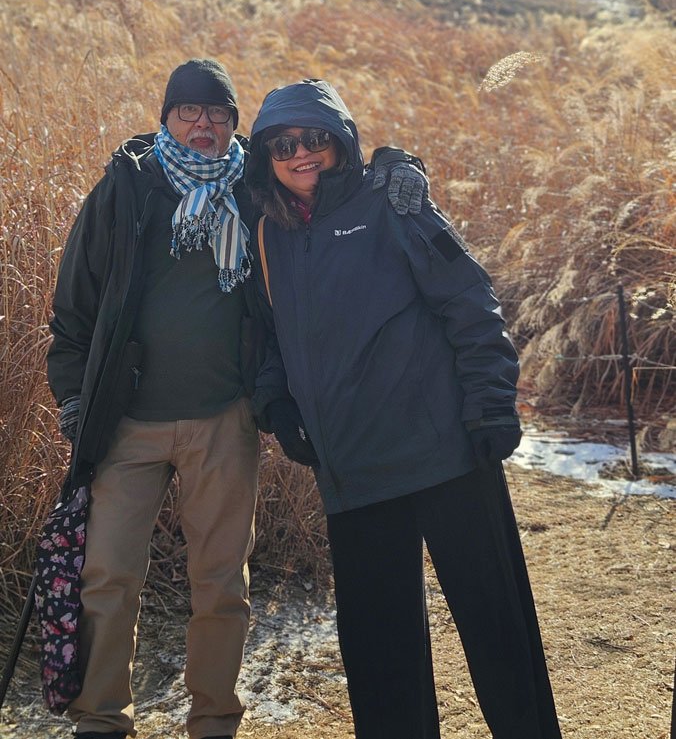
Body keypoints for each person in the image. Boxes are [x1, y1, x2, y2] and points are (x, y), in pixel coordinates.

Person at [46, 58, 425, 739]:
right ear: (166, 117)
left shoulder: (256, 187)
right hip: (126, 423)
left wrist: (401, 165)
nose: (204, 123)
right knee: (107, 577)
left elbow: (335, 182)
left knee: (221, 585)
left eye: (218, 112)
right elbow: (72, 309)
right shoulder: (126, 189)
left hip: (225, 418)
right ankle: (100, 720)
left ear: (232, 123)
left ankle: (214, 721)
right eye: (189, 110)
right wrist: (75, 401)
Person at [246, 78, 562, 739]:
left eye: (314, 138)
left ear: (340, 140)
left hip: (447, 452)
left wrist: (492, 405)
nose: (300, 153)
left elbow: (470, 300)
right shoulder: (269, 234)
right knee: (383, 669)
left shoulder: (391, 201)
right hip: (355, 477)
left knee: (499, 635)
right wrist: (277, 402)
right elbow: (269, 332)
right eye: (283, 144)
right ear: (266, 156)